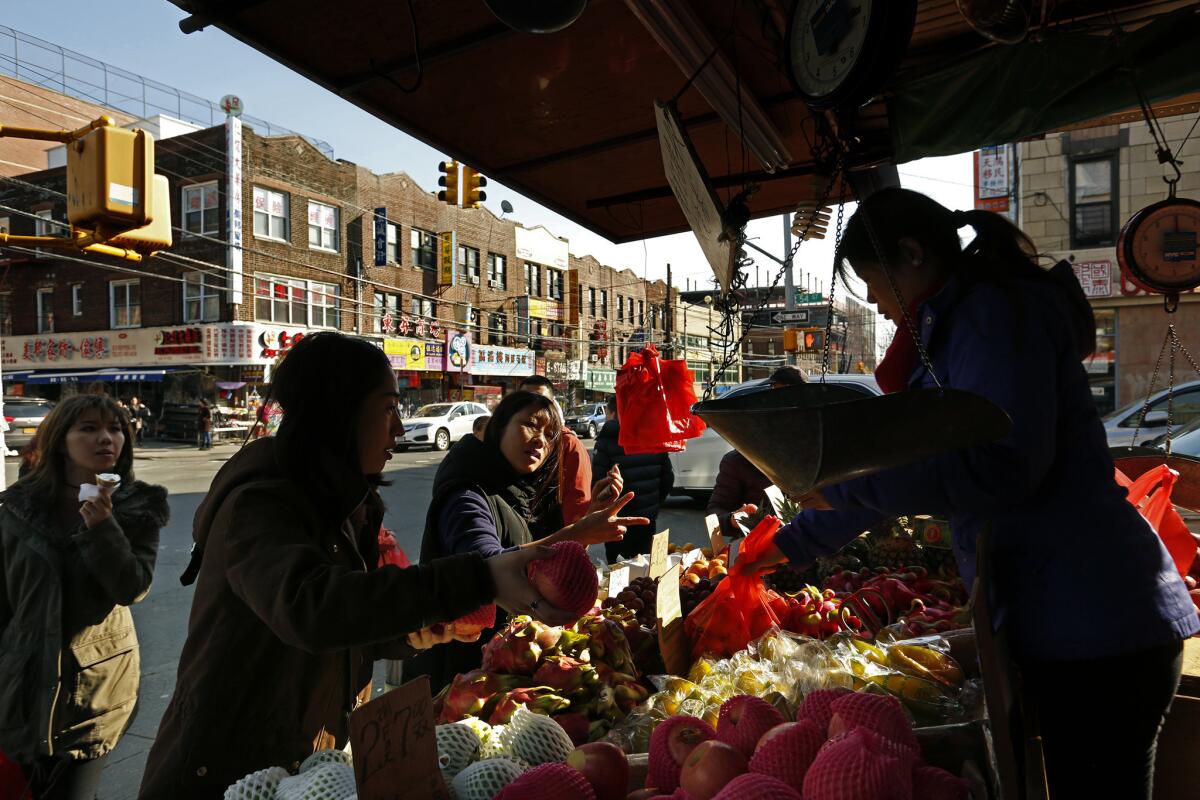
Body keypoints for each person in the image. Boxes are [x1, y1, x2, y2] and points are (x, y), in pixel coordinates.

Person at [737, 188, 1199, 799]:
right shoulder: (952, 327)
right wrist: (792, 543)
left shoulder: (993, 315)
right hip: (1070, 619)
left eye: (875, 284)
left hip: (1097, 620)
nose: (875, 302)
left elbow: (1004, 467)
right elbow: (905, 467)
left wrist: (848, 491)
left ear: (913, 254)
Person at [140, 333, 578, 799]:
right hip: (226, 771)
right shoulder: (261, 502)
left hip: (308, 764)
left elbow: (346, 620)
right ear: (338, 411)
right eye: (388, 408)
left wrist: (409, 634)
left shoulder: (346, 502)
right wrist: (479, 576)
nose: (399, 430)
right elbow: (312, 608)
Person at [408, 390, 647, 691]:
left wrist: (589, 517)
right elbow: (486, 565)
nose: (541, 440)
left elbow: (539, 568)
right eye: (531, 425)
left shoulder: (522, 492)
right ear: (499, 426)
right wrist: (577, 532)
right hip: (463, 675)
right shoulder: (465, 494)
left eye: (550, 434)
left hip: (507, 665)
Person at [0, 394, 169, 800]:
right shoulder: (17, 507)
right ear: (61, 439)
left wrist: (103, 529)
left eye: (115, 429)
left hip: (93, 689)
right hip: (21, 684)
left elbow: (132, 587)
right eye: (89, 429)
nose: (106, 439)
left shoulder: (138, 507)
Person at [706, 365, 807, 537]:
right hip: (755, 549)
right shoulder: (739, 461)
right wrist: (732, 519)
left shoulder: (815, 455)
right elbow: (715, 513)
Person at [591, 394, 674, 563]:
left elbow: (598, 484)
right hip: (647, 519)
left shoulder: (607, 439)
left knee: (618, 576)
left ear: (615, 412)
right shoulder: (653, 436)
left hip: (617, 522)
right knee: (645, 573)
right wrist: (653, 504)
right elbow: (668, 478)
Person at [518, 375, 593, 529]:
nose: (532, 408)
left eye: (541, 402)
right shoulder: (510, 440)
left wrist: (571, 547)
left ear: (552, 405)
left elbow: (577, 507)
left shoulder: (569, 445)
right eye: (525, 400)